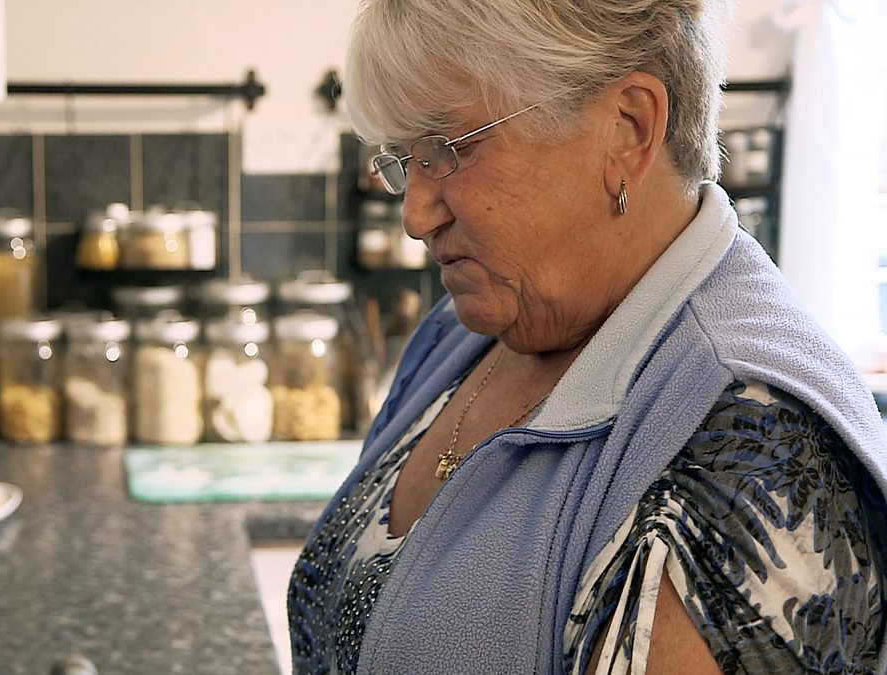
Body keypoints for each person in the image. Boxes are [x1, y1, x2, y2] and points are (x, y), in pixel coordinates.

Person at [285, 0, 887, 672]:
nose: (416, 216)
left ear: (629, 128)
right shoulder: (459, 338)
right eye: (405, 160)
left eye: (448, 151)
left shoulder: (751, 452)